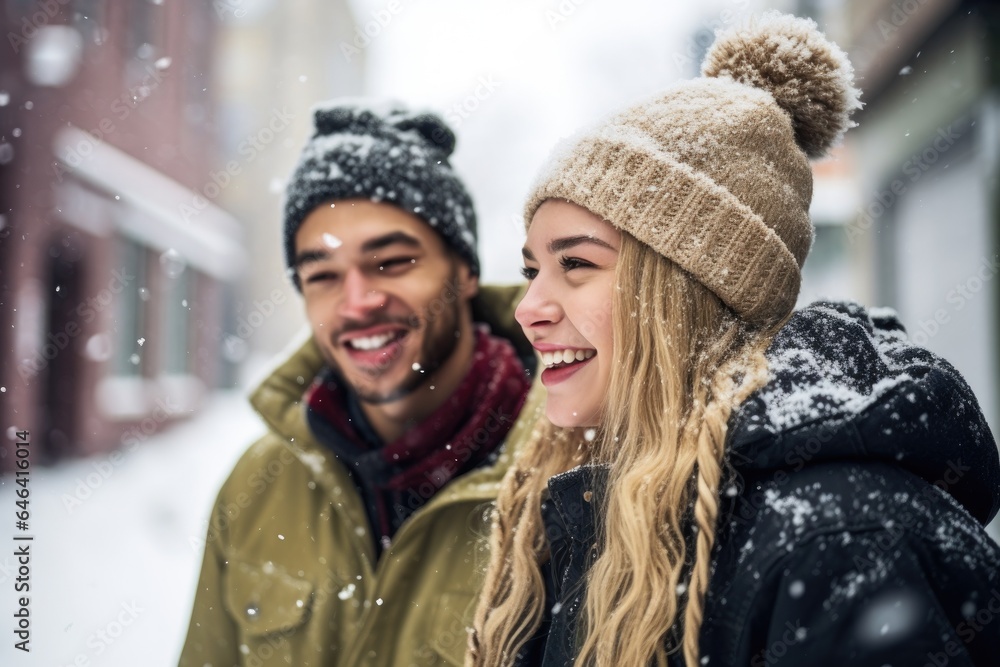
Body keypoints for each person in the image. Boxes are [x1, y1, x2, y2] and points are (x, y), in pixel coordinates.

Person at [468, 13, 1000, 667]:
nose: (529, 308)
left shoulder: (841, 542)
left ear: (692, 288)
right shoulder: (602, 520)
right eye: (532, 269)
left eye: (575, 264)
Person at [179, 100, 542, 667]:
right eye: (322, 276)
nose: (357, 303)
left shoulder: (576, 473)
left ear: (465, 271)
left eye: (392, 262)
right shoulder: (258, 485)